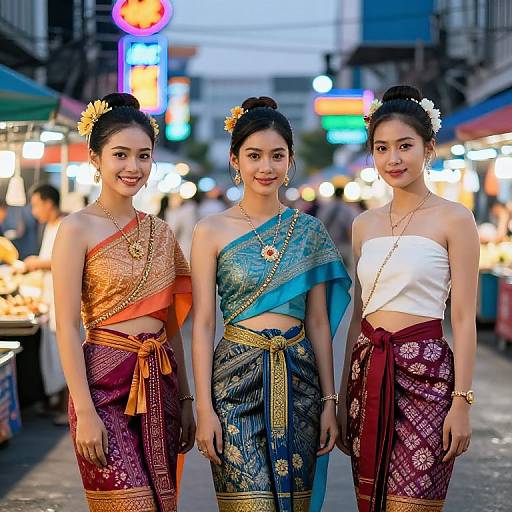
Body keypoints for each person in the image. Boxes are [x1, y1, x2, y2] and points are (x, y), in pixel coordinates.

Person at [191, 97, 351, 512]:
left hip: (300, 382)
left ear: (290, 161)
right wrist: (203, 409)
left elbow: (318, 322)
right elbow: (204, 323)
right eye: (254, 155)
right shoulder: (210, 231)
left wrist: (330, 403)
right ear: (235, 160)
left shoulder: (310, 231)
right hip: (233, 383)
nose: (266, 167)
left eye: (276, 156)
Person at [337, 85, 478, 512]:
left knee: (412, 503)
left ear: (428, 148)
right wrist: (344, 396)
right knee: (373, 501)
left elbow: (466, 317)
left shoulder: (456, 219)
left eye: (404, 146)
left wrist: (462, 403)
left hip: (429, 376)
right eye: (382, 148)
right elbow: (359, 312)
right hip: (369, 371)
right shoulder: (363, 224)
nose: (393, 159)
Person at [52, 93, 195, 512]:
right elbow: (66, 325)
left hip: (160, 383)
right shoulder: (75, 229)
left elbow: (172, 329)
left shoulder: (162, 232)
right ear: (95, 158)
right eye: (120, 154)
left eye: (143, 156)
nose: (133, 167)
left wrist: (186, 401)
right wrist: (84, 410)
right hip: (102, 389)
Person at [24, 185, 67, 424]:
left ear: (48, 203)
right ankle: (56, 402)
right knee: (53, 353)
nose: (33, 210)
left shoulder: (64, 225)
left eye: (36, 204)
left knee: (64, 351)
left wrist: (35, 264)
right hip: (49, 297)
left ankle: (67, 408)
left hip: (62, 298)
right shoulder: (49, 226)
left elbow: (61, 260)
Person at [318, 186, 357, 272]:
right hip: (344, 245)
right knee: (347, 272)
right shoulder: (346, 209)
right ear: (343, 194)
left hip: (328, 246)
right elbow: (350, 227)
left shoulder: (325, 208)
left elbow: (320, 224)